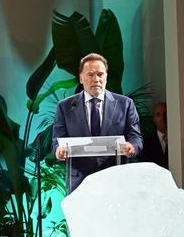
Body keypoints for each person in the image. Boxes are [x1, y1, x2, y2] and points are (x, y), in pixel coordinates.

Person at [52, 53, 143, 192]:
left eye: (100, 74)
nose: (96, 79)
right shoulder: (66, 106)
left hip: (115, 179)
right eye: (90, 74)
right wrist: (58, 151)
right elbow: (56, 141)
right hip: (80, 182)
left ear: (106, 77)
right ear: (81, 78)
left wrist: (132, 147)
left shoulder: (125, 104)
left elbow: (135, 137)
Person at [138, 102, 168, 169]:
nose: (162, 117)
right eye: (158, 114)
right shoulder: (146, 144)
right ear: (154, 119)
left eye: (165, 114)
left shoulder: (177, 139)